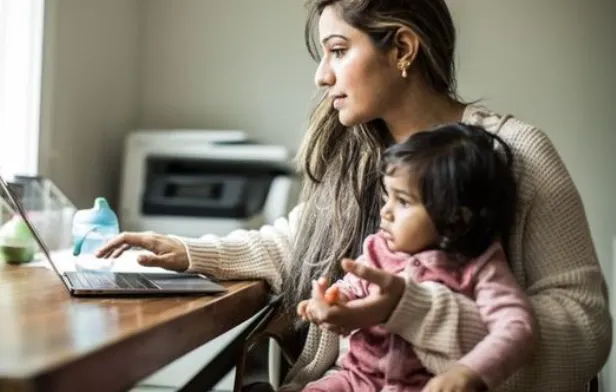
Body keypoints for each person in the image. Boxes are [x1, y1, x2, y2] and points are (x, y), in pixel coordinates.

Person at [96, 0, 612, 391]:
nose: (322, 76)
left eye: (339, 51)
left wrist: (415, 313)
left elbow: (584, 325)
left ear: (404, 49)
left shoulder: (515, 153)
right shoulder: (358, 153)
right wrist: (188, 252)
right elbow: (296, 243)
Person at [297, 123, 539, 392]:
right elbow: (351, 289)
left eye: (403, 201)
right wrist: (332, 301)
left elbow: (517, 328)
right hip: (356, 380)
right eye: (387, 197)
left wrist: (469, 372)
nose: (385, 212)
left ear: (456, 217)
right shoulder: (379, 249)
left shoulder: (480, 265)